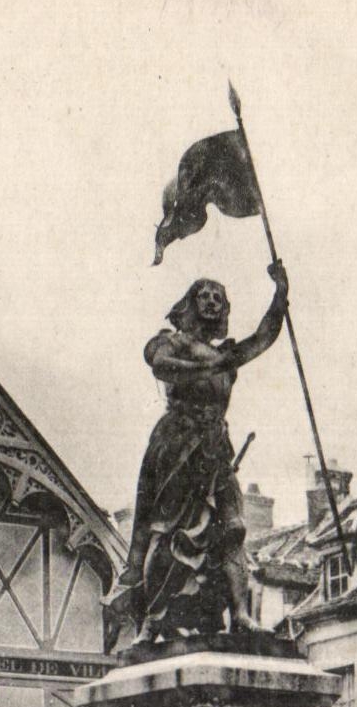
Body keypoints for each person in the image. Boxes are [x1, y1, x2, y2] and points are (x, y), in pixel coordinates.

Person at [110, 263, 289, 642]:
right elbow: (161, 366)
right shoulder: (171, 341)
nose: (211, 301)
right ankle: (152, 621)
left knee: (233, 527)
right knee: (166, 530)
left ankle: (239, 613)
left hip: (214, 447)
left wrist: (280, 295)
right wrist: (212, 366)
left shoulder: (226, 354)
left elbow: (264, 336)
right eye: (203, 295)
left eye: (218, 298)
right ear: (190, 304)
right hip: (177, 444)